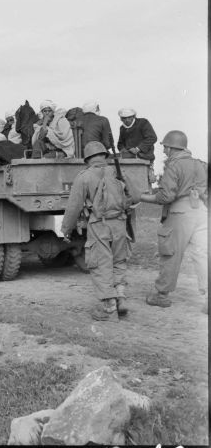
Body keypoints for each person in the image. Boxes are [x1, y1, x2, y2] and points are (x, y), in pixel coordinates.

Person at [60, 142, 140, 321]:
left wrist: (66, 229)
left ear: (87, 159)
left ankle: (109, 306)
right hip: (120, 224)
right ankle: (120, 296)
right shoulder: (119, 172)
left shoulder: (84, 177)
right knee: (119, 261)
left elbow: (74, 207)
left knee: (100, 263)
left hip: (99, 225)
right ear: (105, 155)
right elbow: (135, 197)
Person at [140, 131, 207, 311]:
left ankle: (161, 294)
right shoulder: (198, 164)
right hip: (201, 211)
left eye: (165, 147)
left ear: (170, 147)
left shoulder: (173, 166)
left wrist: (143, 197)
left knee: (171, 253)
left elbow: (166, 196)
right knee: (203, 255)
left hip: (180, 213)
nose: (164, 151)